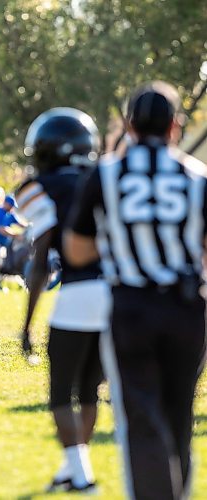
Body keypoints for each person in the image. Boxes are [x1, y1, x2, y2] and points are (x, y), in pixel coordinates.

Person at [64, 81, 207, 500]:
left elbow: (75, 249)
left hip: (132, 305)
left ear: (128, 125)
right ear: (175, 128)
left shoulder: (105, 173)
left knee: (142, 418)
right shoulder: (197, 176)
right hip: (186, 308)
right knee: (179, 414)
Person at [15, 108, 111, 493]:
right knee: (89, 390)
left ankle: (82, 475)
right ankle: (73, 467)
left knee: (59, 394)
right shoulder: (105, 178)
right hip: (117, 296)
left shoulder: (38, 188)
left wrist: (26, 325)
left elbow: (41, 260)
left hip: (78, 294)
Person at [0, 194, 26, 289]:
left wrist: (30, 226)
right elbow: (1, 230)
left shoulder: (10, 214)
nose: (12, 208)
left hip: (2, 244)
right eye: (11, 205)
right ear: (6, 203)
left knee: (0, 265)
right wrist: (16, 235)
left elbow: (20, 224)